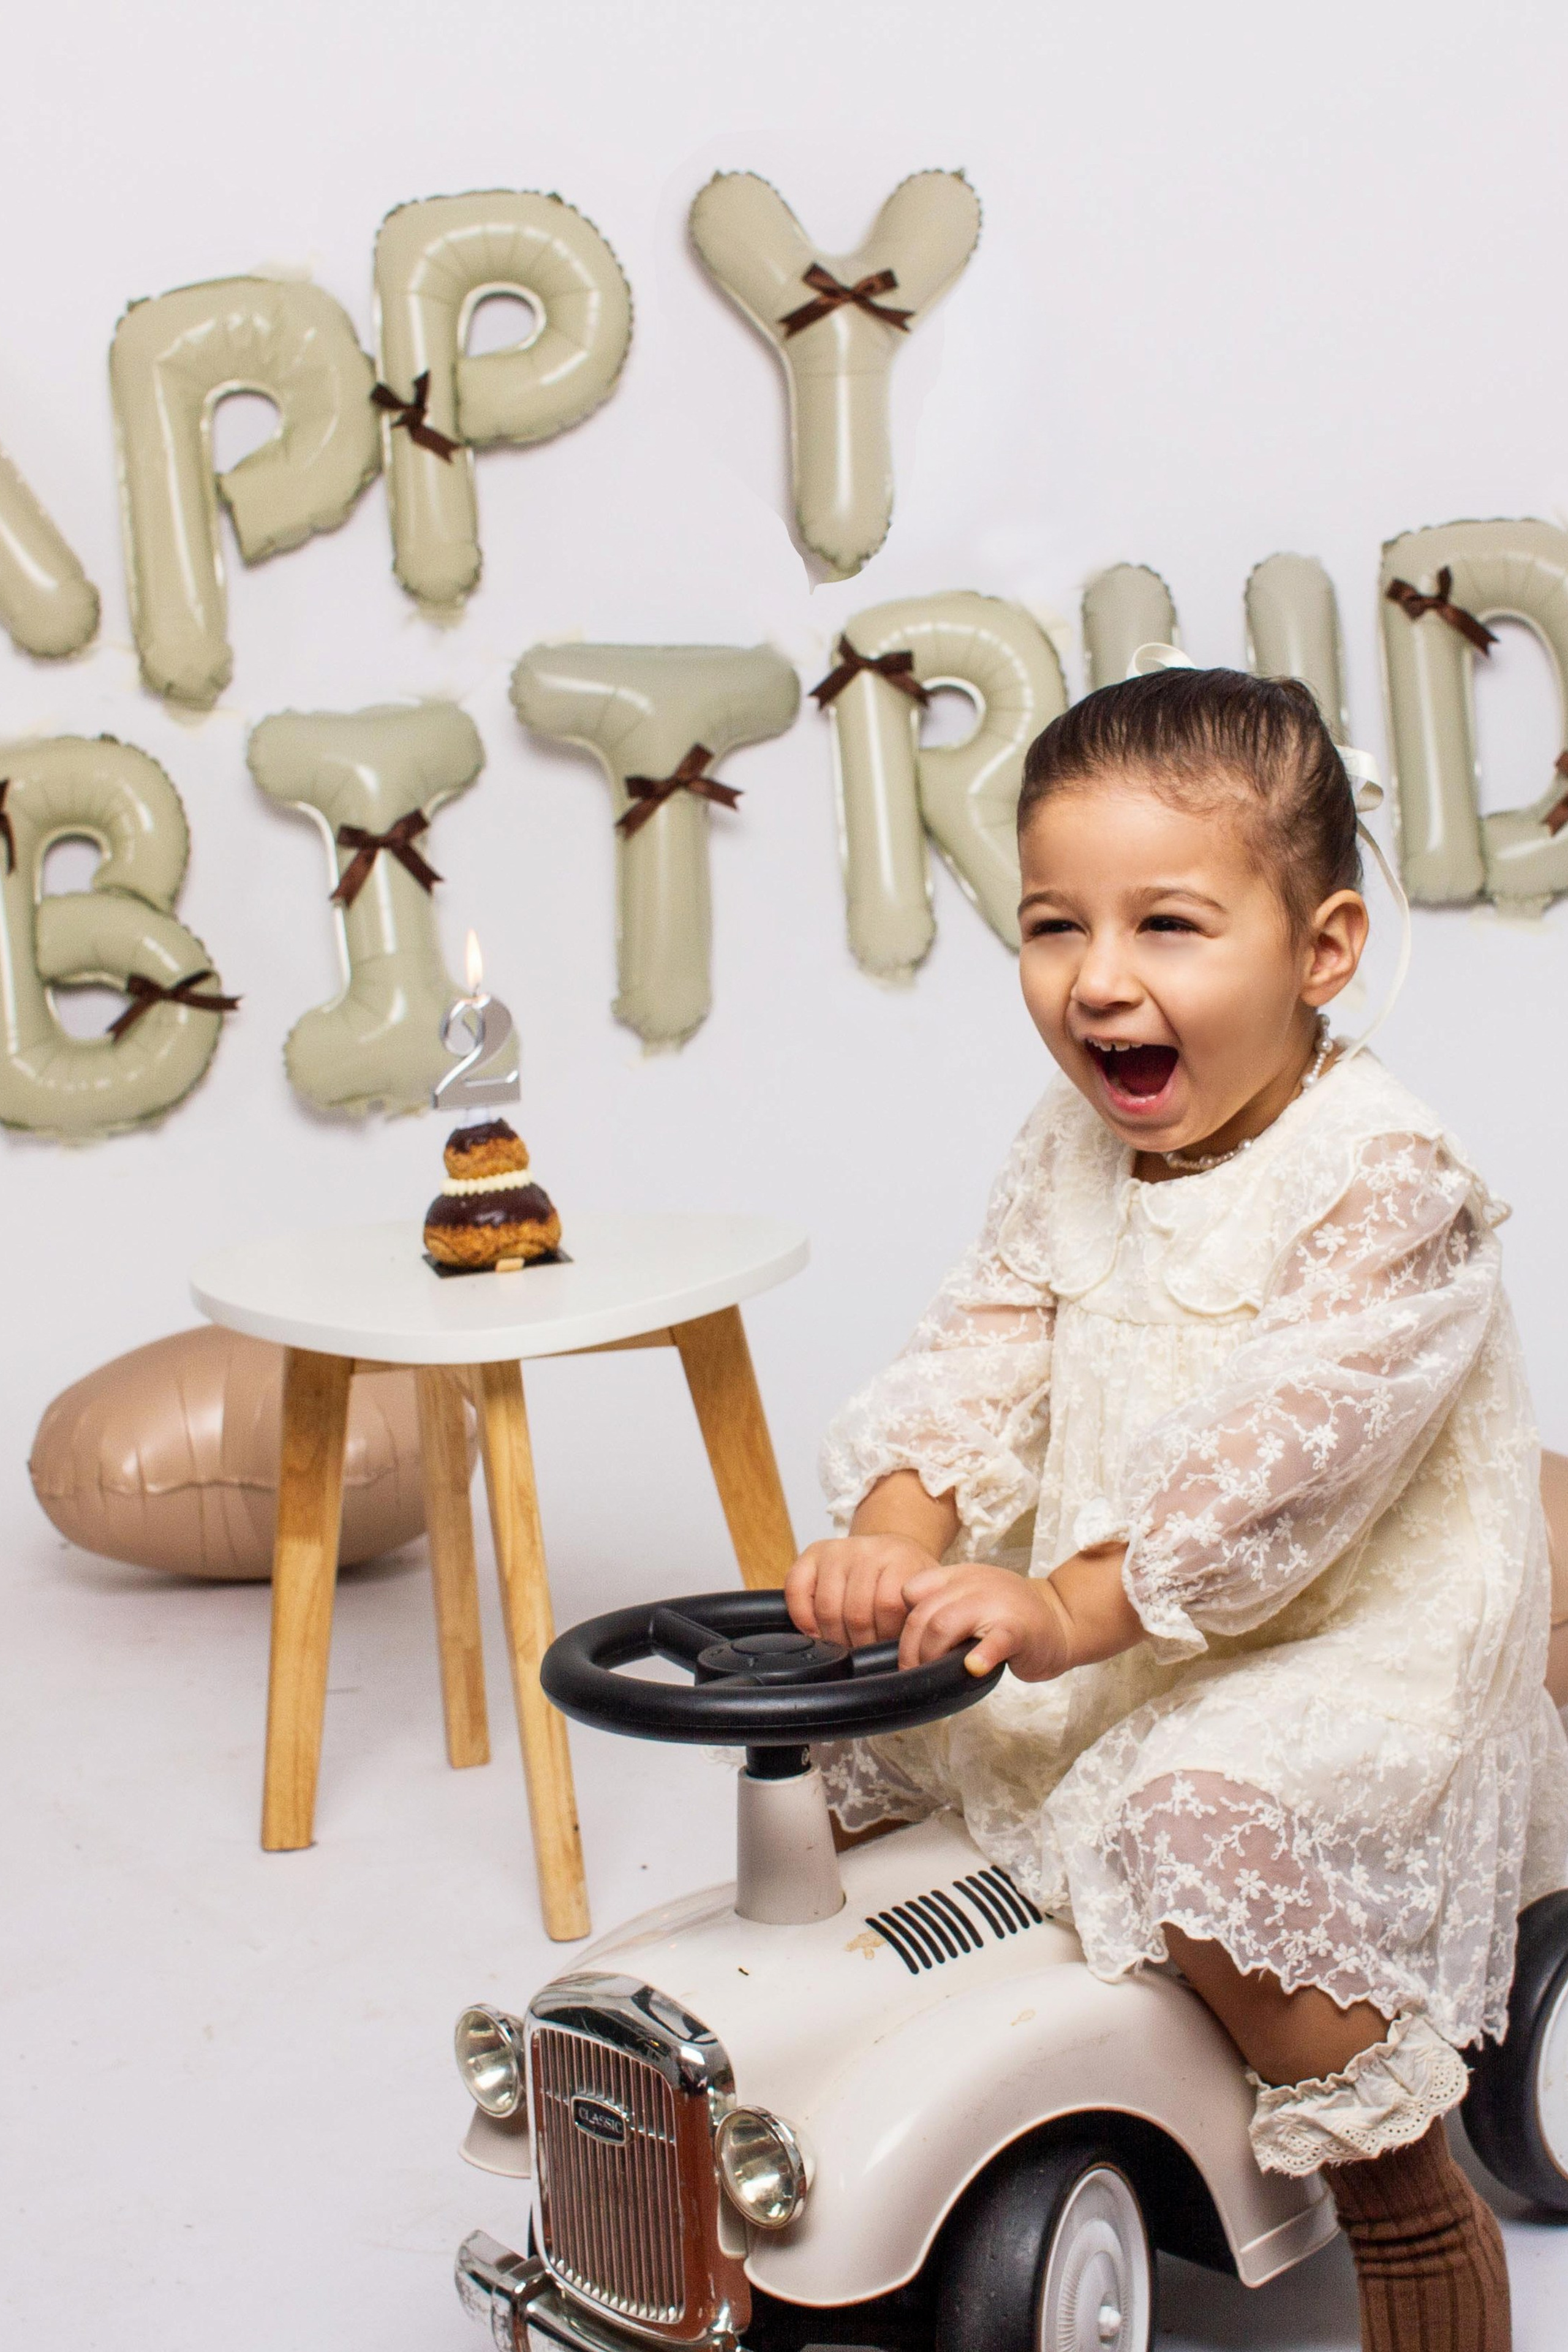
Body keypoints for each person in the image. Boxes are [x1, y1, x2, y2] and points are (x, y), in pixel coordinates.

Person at [787, 664, 1568, 2352]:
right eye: (1055, 926)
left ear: (1322, 951)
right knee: (869, 1722)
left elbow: (1290, 1469)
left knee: (1203, 1813)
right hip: (1107, 1606)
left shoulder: (1385, 1178)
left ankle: (1392, 2176)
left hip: (1344, 1620)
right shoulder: (1065, 1150)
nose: (1102, 983)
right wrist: (902, 1532)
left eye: (1170, 927)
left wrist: (1069, 1612)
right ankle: (838, 2090)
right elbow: (978, 1344)